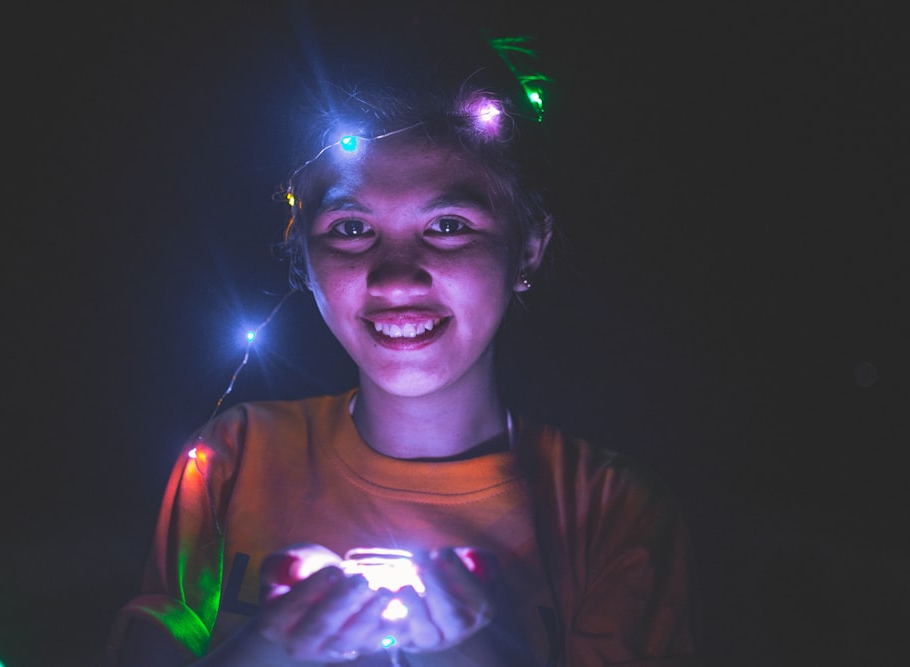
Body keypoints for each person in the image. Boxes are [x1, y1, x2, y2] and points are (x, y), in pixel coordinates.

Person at [105, 17, 697, 667]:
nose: (394, 276)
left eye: (447, 224)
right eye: (352, 227)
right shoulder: (232, 460)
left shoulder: (609, 513)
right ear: (300, 255)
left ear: (529, 243)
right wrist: (263, 651)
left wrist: (479, 655)